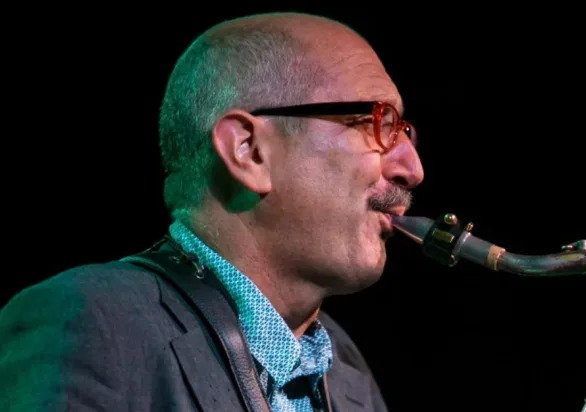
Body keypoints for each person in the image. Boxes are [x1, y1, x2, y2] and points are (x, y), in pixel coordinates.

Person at [0, 12, 423, 412]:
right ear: (248, 150)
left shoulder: (348, 370)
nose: (413, 168)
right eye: (378, 122)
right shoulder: (88, 322)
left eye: (405, 131)